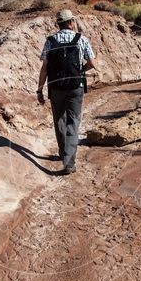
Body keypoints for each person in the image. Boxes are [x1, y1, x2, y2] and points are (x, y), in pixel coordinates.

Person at [36, 9, 96, 175]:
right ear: (71, 22)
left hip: (56, 88)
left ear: (58, 24)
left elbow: (44, 68)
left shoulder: (50, 41)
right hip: (76, 87)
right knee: (73, 121)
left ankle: (64, 153)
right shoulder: (81, 39)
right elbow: (92, 62)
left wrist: (39, 90)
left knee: (60, 120)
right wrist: (80, 71)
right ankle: (69, 161)